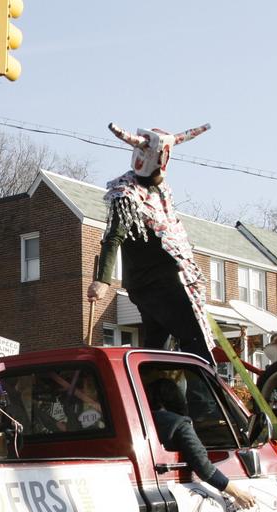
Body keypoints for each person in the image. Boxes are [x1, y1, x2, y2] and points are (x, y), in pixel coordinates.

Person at [86, 122, 215, 362]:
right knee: (194, 340)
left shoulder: (162, 191)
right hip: (153, 283)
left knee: (157, 347)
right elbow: (114, 235)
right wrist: (102, 280)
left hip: (167, 279)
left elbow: (172, 231)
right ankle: (201, 399)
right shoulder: (126, 193)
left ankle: (157, 394)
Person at [146, 379, 256, 508]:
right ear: (176, 398)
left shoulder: (144, 420)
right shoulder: (179, 424)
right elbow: (203, 466)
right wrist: (237, 493)